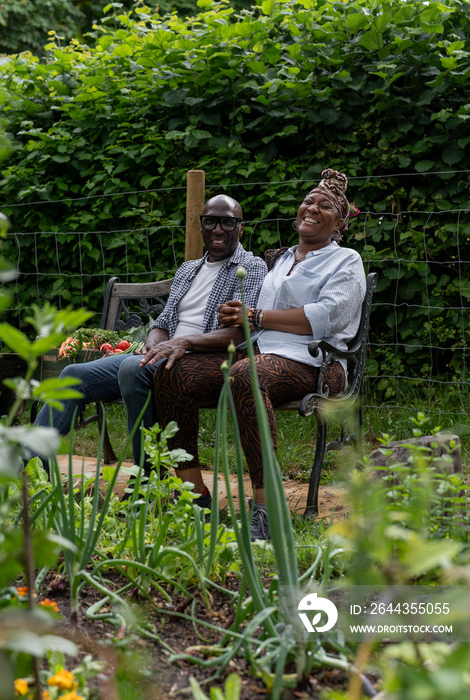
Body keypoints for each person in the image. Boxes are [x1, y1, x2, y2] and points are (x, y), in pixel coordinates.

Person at [152, 168, 366, 540]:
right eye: (307, 202)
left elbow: (325, 316)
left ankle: (268, 510)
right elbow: (257, 323)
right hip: (263, 356)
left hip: (319, 362)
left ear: (341, 222)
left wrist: (256, 316)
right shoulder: (281, 260)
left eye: (325, 206)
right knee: (174, 372)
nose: (311, 208)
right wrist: (238, 317)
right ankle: (194, 497)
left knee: (244, 375)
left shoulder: (346, 261)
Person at [33, 194, 268, 487]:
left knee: (133, 369)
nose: (218, 229)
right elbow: (163, 322)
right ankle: (27, 463)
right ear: (201, 226)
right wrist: (156, 341)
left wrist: (184, 343)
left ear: (240, 228)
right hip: (165, 355)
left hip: (206, 358)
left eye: (227, 222)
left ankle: (146, 480)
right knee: (72, 374)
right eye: (211, 221)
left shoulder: (251, 266)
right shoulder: (188, 269)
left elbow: (241, 331)